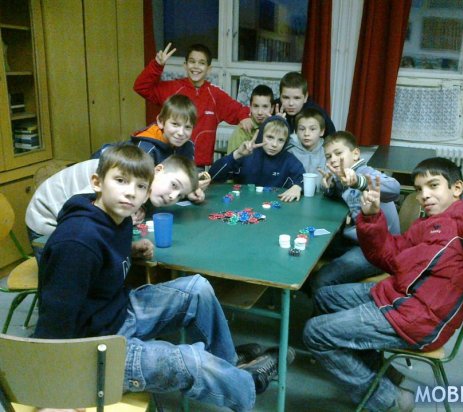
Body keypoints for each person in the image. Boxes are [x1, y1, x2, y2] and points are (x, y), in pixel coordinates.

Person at [33, 143, 291, 412]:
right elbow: (53, 323)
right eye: (120, 181)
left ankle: (229, 365)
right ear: (97, 182)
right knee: (190, 361)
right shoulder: (77, 243)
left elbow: (103, 250)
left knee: (197, 288)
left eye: (140, 186)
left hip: (116, 313)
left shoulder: (116, 214)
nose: (130, 192)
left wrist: (130, 249)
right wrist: (56, 398)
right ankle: (248, 384)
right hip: (96, 352)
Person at [303, 134, 463, 412]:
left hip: (418, 320)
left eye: (433, 186)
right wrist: (371, 217)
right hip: (397, 297)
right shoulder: (427, 223)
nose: (425, 196)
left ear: (457, 188)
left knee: (315, 332)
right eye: (420, 190)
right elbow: (389, 258)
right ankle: (379, 374)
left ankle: (388, 400)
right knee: (324, 296)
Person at [25, 154, 198, 261]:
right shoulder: (123, 173)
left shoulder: (140, 179)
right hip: (47, 224)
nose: (173, 196)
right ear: (158, 170)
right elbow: (84, 220)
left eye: (180, 195)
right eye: (174, 185)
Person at [134, 43, 253, 168]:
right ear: (185, 65)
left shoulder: (215, 95)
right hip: (165, 160)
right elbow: (141, 87)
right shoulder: (172, 88)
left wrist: (244, 116)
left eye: (201, 63)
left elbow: (238, 110)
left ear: (209, 69)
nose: (196, 66)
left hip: (197, 166)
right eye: (192, 61)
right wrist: (157, 65)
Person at [309, 131, 400, 293]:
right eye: (329, 156)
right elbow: (340, 191)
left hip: (379, 249)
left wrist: (359, 181)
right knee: (309, 249)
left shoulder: (366, 172)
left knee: (321, 280)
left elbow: (395, 188)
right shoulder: (343, 176)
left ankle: (325, 305)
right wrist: (329, 186)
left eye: (338, 153)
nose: (333, 159)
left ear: (356, 154)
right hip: (355, 240)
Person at [209, 116, 305, 202]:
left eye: (280, 140)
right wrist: (237, 154)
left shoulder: (289, 160)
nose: (274, 144)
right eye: (270, 137)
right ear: (261, 135)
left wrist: (298, 187)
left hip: (276, 208)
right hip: (243, 206)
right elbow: (213, 175)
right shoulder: (247, 154)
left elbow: (303, 178)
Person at [93, 94, 196, 164]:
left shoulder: (187, 146)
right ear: (161, 122)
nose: (181, 133)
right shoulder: (147, 148)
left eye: (187, 127)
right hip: (100, 165)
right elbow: (141, 182)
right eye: (175, 124)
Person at [275, 71, 335, 138]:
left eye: (297, 98)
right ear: (280, 96)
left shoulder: (317, 113)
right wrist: (274, 123)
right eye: (286, 97)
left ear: (305, 97)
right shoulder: (272, 108)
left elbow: (333, 139)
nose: (291, 103)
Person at [226, 85, 274, 154]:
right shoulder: (241, 131)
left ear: (272, 109)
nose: (260, 112)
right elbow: (232, 159)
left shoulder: (274, 127)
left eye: (265, 107)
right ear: (250, 107)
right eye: (256, 106)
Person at [288, 107, 327, 179]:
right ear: (296, 132)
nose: (306, 133)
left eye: (312, 129)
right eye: (302, 129)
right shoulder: (289, 151)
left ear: (322, 131)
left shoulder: (327, 152)